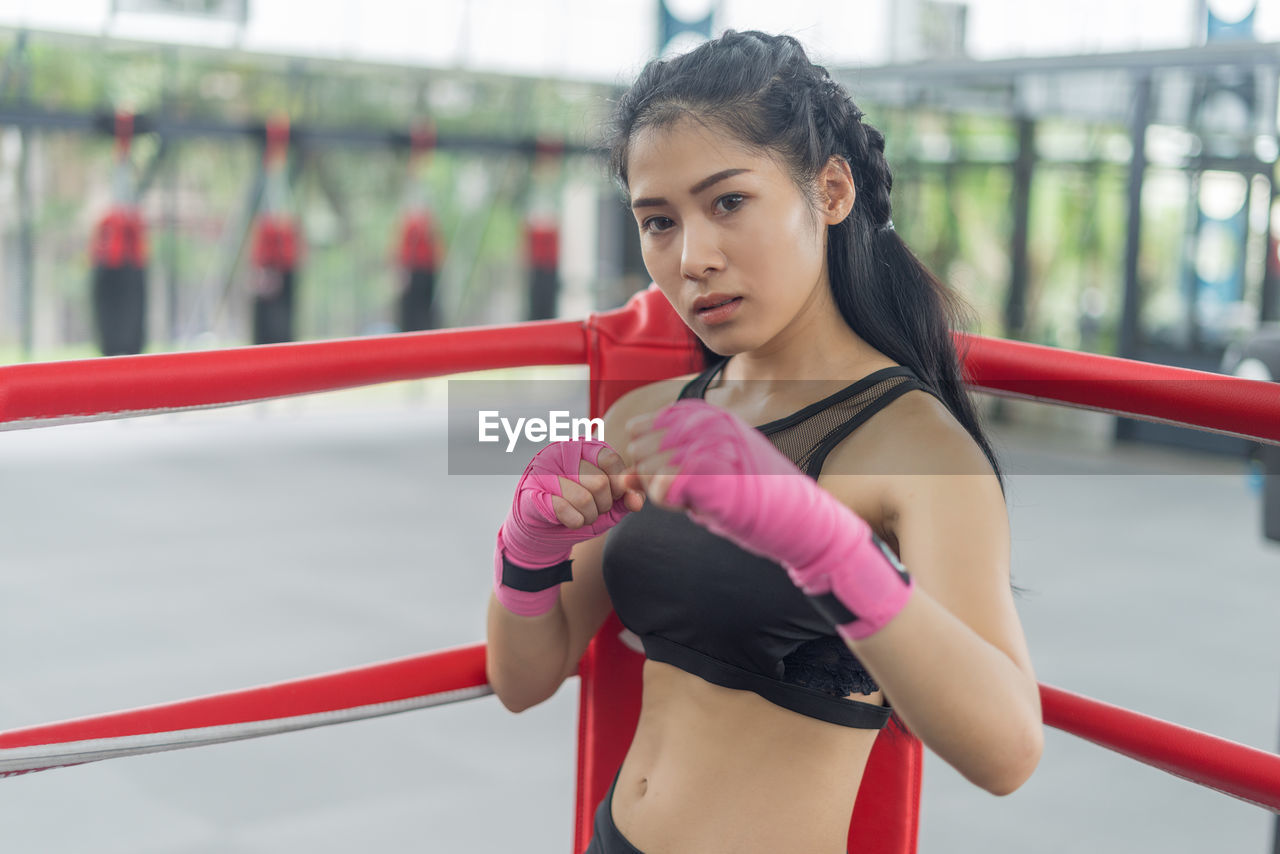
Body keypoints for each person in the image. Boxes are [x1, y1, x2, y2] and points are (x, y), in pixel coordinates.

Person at [485, 30, 1042, 854]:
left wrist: (826, 545)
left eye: (728, 203)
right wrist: (528, 548)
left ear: (831, 191)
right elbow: (525, 678)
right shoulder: (654, 412)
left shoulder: (910, 444)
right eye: (659, 221)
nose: (693, 258)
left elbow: (1008, 753)